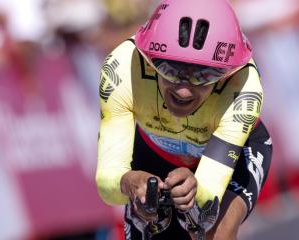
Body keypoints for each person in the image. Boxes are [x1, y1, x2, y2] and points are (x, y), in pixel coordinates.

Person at [96, 0, 272, 239]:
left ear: (226, 75)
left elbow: (208, 199)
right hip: (154, 150)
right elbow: (108, 186)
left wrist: (197, 190)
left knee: (217, 230)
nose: (183, 91)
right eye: (169, 69)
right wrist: (129, 181)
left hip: (231, 155)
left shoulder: (244, 88)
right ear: (148, 60)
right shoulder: (121, 69)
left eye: (204, 75)